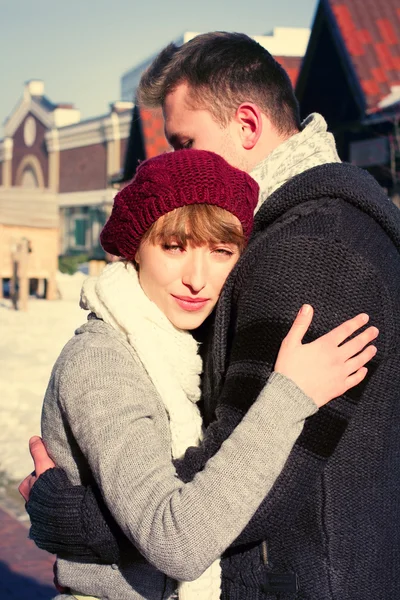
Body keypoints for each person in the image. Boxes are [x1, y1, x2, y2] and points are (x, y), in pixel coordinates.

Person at [22, 32, 400, 600]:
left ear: (247, 126)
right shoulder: (269, 233)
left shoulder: (312, 247)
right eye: (175, 247)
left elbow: (251, 487)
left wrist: (73, 518)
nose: (180, 163)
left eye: (185, 141)